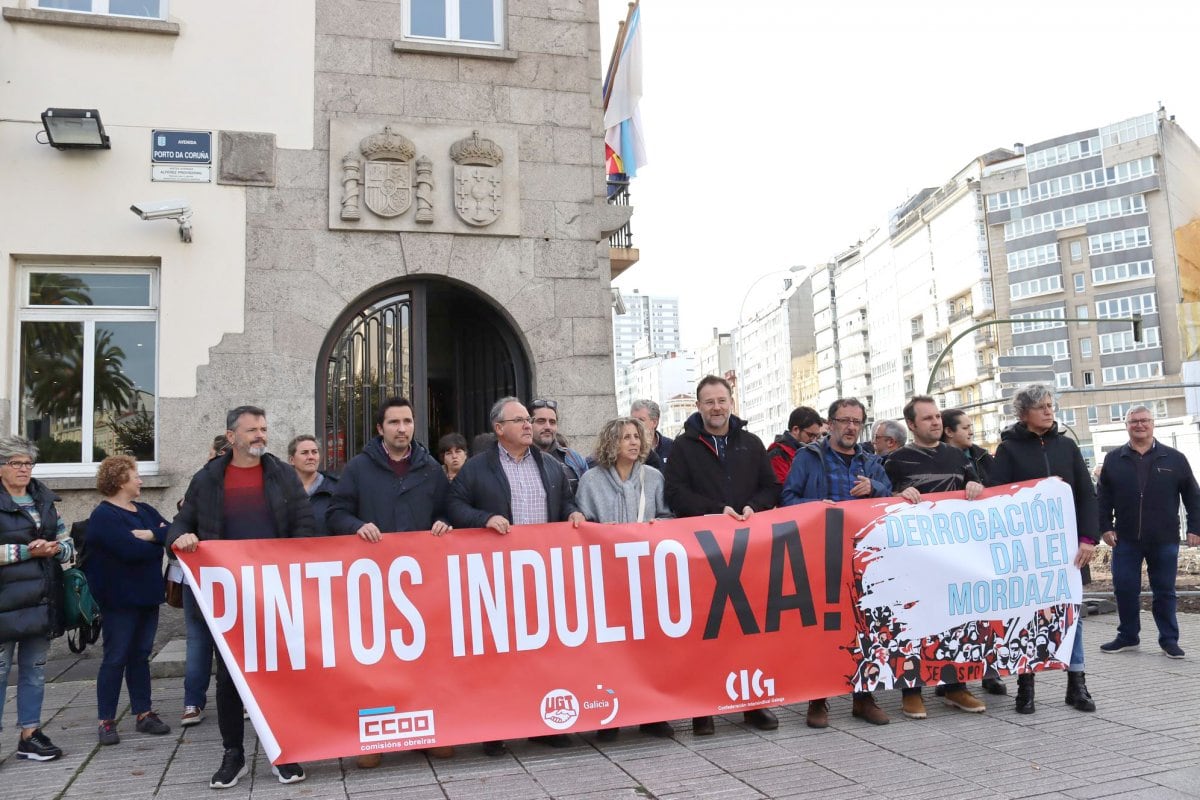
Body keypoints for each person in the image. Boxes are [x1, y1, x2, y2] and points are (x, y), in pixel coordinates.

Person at [168, 405, 316, 789]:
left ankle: (284, 751)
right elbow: (181, 523)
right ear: (231, 436)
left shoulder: (283, 475)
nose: (260, 436)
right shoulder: (208, 478)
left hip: (275, 594)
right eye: (252, 430)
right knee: (231, 677)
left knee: (281, 674)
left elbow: (304, 525)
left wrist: (292, 569)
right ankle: (233, 754)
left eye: (264, 429)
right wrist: (179, 540)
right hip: (227, 598)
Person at [447, 396, 584, 756]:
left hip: (543, 578)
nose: (529, 425)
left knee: (544, 653)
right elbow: (453, 506)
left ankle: (544, 724)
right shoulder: (477, 468)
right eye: (521, 420)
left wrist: (573, 515)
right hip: (498, 581)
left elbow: (567, 502)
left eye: (530, 420)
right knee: (500, 656)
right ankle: (498, 727)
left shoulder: (551, 466)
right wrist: (483, 520)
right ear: (499, 429)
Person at [326, 397, 453, 767]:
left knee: (424, 661)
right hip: (374, 589)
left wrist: (445, 522)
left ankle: (427, 733)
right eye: (394, 422)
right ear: (380, 428)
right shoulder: (358, 469)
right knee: (377, 666)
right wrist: (356, 526)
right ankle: (374, 738)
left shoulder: (430, 468)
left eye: (408, 421)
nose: (402, 428)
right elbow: (335, 513)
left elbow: (447, 509)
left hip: (420, 589)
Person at [663, 375, 780, 736]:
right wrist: (718, 510)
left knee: (749, 630)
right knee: (706, 632)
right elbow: (675, 494)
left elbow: (770, 487)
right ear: (699, 406)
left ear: (731, 402)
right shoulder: (683, 447)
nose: (716, 407)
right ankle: (704, 708)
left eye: (721, 400)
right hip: (703, 552)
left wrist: (751, 507)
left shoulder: (751, 442)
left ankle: (753, 703)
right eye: (709, 401)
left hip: (748, 550)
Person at [781, 398, 891, 728]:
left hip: (864, 557)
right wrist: (818, 506)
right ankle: (819, 699)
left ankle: (863, 696)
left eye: (857, 421)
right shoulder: (808, 457)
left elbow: (890, 499)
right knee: (824, 629)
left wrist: (876, 487)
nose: (850, 427)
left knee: (864, 626)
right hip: (821, 555)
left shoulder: (870, 463)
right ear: (830, 423)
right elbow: (787, 498)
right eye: (844, 420)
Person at [989, 384, 1098, 714]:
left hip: (1068, 551)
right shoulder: (1008, 450)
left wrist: (1089, 539)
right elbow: (999, 498)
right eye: (1042, 407)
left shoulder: (1067, 445)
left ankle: (1076, 683)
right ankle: (1026, 684)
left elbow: (1086, 495)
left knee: (1071, 616)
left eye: (1051, 405)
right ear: (1023, 413)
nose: (1049, 411)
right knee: (1027, 616)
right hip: (1028, 553)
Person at [884, 396, 988, 718]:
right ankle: (911, 691)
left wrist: (976, 486)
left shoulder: (958, 456)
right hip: (913, 557)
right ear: (912, 425)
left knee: (956, 620)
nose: (935, 422)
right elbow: (876, 503)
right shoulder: (895, 460)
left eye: (937, 416)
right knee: (913, 621)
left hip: (954, 555)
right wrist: (895, 496)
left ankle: (955, 687)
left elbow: (981, 490)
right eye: (926, 418)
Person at [575, 416, 674, 741]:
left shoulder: (654, 478)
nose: (633, 442)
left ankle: (652, 714)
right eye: (625, 437)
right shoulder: (590, 481)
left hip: (646, 577)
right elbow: (583, 526)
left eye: (636, 436)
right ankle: (610, 714)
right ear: (610, 443)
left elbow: (667, 518)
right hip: (606, 579)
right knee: (610, 650)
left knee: (650, 647)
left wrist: (656, 527)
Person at [1097, 405, 1200, 658]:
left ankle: (1169, 640)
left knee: (1164, 591)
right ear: (1127, 425)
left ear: (1153, 424)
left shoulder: (1174, 458)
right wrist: (1105, 527)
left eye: (1144, 420)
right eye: (1134, 421)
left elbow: (1193, 496)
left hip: (1164, 538)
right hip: (1125, 539)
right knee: (1124, 588)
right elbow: (1102, 498)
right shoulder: (1113, 459)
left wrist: (1196, 528)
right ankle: (1128, 636)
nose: (1139, 425)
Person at [86, 455, 172, 745]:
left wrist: (151, 535)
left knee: (140, 656)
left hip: (148, 597)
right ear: (121, 479)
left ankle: (143, 713)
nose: (141, 480)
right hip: (119, 601)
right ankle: (106, 720)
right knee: (115, 657)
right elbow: (130, 551)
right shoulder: (104, 516)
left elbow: (171, 533)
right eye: (136, 475)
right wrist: (155, 545)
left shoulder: (145, 510)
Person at [0, 436, 74, 762]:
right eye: (16, 463)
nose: (23, 469)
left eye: (28, 463)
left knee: (35, 670)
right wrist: (27, 551)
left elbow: (66, 542)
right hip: (4, 602)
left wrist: (57, 548)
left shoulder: (43, 499)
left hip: (43, 599)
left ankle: (30, 734)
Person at [179, 434, 230, 729]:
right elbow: (183, 520)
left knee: (203, 640)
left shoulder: (202, 478)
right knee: (201, 639)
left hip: (222, 574)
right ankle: (194, 700)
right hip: (204, 575)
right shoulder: (203, 480)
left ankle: (194, 702)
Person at [530, 398, 589, 494]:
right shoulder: (518, 458)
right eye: (541, 421)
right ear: (528, 424)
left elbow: (587, 496)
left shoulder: (574, 458)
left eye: (552, 422)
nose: (548, 427)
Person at [287, 435, 338, 537]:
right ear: (291, 460)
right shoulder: (279, 491)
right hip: (289, 551)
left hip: (326, 550)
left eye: (314, 452)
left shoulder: (336, 489)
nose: (311, 457)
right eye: (304, 453)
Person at [767, 405, 824, 482]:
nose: (813, 440)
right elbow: (784, 488)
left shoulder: (812, 452)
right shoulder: (778, 454)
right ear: (795, 429)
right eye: (810, 435)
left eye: (816, 436)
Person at [941, 409, 995, 487]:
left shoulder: (983, 457)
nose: (971, 432)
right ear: (949, 432)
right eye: (965, 428)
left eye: (970, 427)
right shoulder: (935, 461)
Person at [630, 398, 675, 469]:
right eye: (632, 420)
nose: (635, 424)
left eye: (641, 420)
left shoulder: (671, 446)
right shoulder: (628, 448)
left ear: (654, 422)